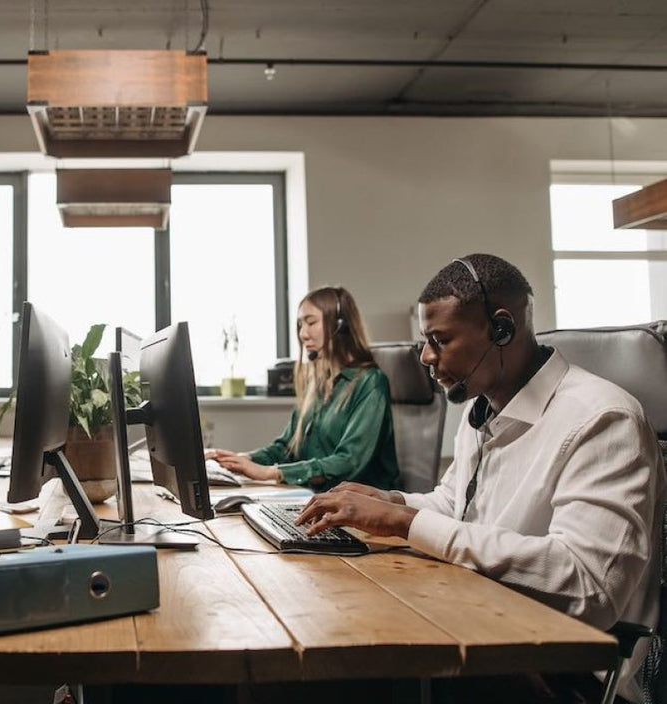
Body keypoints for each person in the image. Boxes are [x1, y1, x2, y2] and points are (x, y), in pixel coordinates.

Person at [297, 254, 665, 703]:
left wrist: (404, 523)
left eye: (440, 340)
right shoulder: (483, 409)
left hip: (566, 669)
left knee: (343, 672)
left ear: (501, 329)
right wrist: (390, 503)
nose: (426, 356)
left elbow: (588, 586)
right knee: (335, 627)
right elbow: (455, 506)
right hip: (487, 622)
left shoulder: (602, 419)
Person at [206, 286, 399, 491]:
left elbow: (349, 461)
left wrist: (271, 473)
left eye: (311, 322)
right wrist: (243, 460)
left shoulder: (370, 382)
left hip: (361, 501)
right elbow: (287, 448)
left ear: (340, 326)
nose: (303, 334)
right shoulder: (316, 383)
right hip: (316, 495)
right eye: (300, 324)